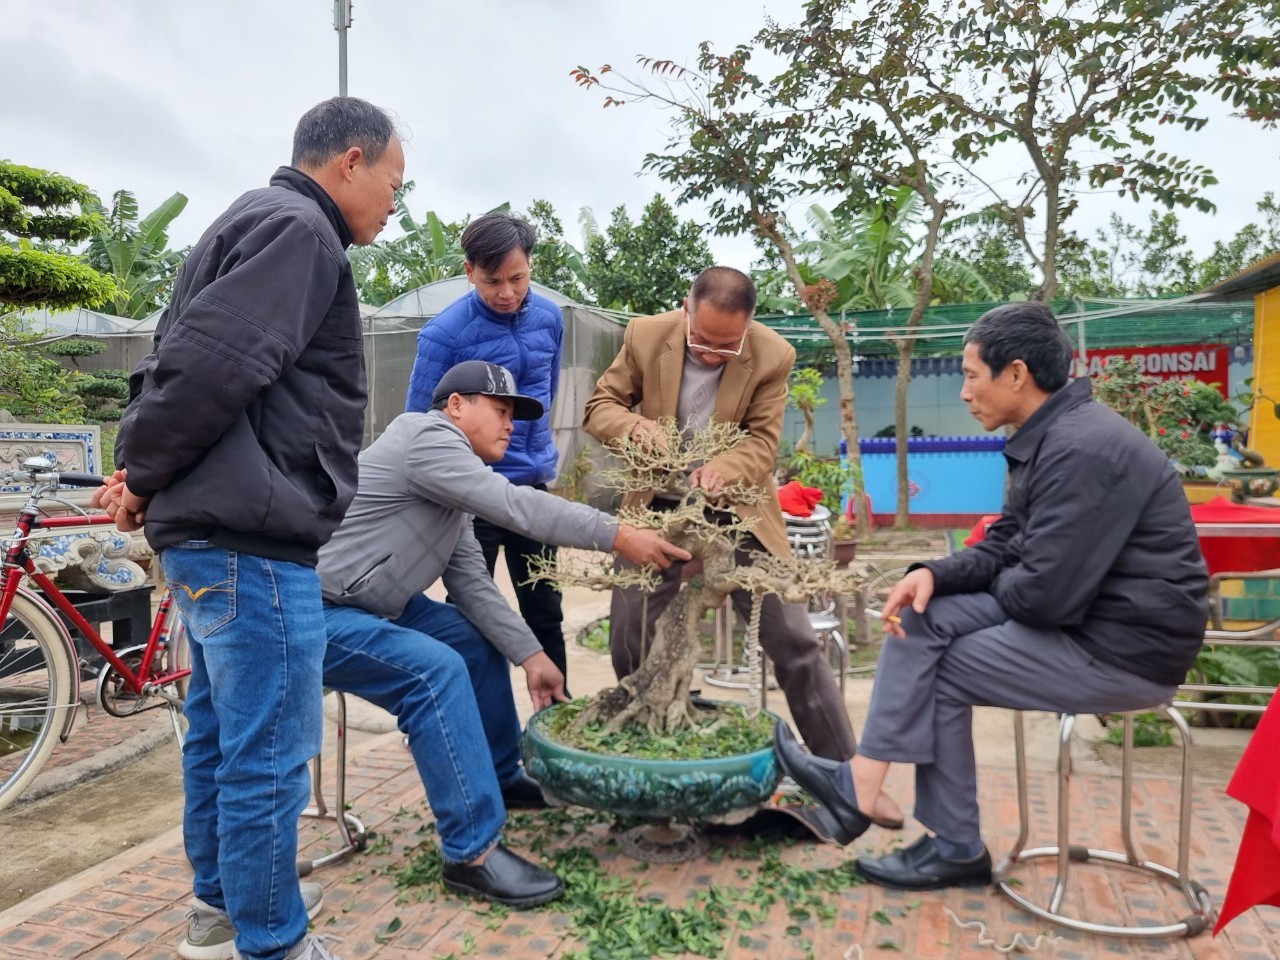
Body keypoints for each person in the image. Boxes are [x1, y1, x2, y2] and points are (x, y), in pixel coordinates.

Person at [95, 98, 404, 960]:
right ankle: (273, 944)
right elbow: (206, 371)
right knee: (269, 753)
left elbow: (169, 362)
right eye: (393, 182)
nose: (393, 203)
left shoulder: (246, 221)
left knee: (227, 739)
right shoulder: (301, 232)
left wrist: (139, 478)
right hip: (252, 540)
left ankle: (219, 913)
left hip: (213, 538)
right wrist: (145, 476)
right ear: (350, 160)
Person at [774, 301, 1208, 890]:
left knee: (942, 663)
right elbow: (1009, 542)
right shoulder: (1052, 435)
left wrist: (978, 589)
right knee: (925, 615)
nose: (963, 392)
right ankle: (866, 789)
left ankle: (936, 834)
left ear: (1017, 374)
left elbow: (1044, 598)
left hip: (1123, 650)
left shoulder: (1082, 449)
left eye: (971, 375)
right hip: (1085, 623)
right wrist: (936, 573)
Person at [317, 360, 690, 904]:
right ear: (455, 406)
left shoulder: (452, 487)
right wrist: (616, 533)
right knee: (433, 672)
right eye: (499, 410)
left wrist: (530, 653)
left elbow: (471, 583)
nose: (510, 424)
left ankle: (501, 776)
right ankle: (471, 854)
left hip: (379, 604)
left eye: (514, 414)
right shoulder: (425, 437)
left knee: (472, 640)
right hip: (318, 611)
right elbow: (516, 505)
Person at [581, 265, 863, 772]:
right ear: (686, 309)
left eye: (727, 347)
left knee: (795, 640)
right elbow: (600, 406)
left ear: (749, 327)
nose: (712, 355)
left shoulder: (774, 355)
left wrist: (723, 469)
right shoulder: (646, 335)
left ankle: (846, 773)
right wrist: (634, 425)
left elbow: (761, 443)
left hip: (737, 510)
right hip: (656, 505)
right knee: (629, 632)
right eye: (702, 341)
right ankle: (661, 744)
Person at [404, 213, 572, 686]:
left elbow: (547, 390)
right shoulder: (445, 333)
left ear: (530, 268)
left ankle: (556, 711)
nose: (507, 292)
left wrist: (536, 454)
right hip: (473, 494)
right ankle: (466, 711)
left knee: (544, 604)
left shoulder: (549, 319)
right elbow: (420, 420)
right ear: (469, 271)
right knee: (469, 611)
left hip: (531, 485)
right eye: (492, 280)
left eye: (517, 278)